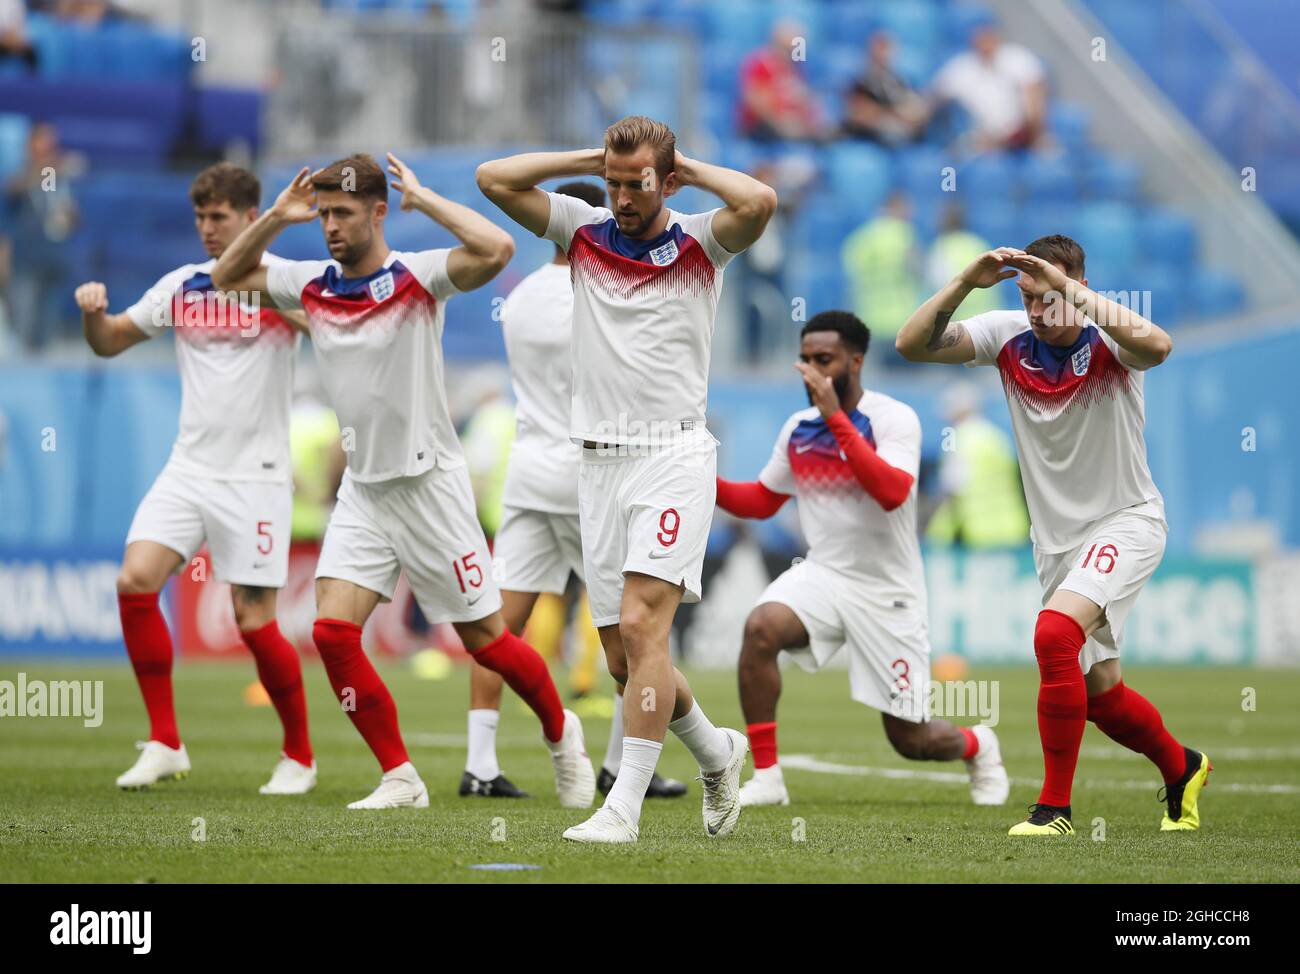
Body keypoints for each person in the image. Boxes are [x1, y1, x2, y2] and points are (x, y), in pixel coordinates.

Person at [211, 153, 596, 810]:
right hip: (365, 489)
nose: (331, 225)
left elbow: (497, 246)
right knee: (333, 634)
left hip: (430, 488)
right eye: (325, 213)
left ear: (378, 212)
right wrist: (277, 215)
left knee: (490, 643)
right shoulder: (310, 283)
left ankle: (563, 736)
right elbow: (226, 276)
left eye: (344, 213)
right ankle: (400, 776)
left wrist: (428, 198)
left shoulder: (415, 278)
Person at [477, 114, 777, 842]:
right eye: (610, 184)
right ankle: (715, 753)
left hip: (670, 456)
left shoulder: (703, 241)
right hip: (597, 464)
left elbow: (761, 202)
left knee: (645, 627)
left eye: (635, 184)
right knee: (624, 657)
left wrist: (682, 167)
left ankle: (623, 810)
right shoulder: (581, 231)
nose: (619, 198)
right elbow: (493, 179)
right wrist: (594, 157)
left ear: (668, 181)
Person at [896, 235, 1211, 835]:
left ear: (1078, 290)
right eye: (1029, 297)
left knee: (1053, 634)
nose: (1037, 311)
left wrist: (1072, 293)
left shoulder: (1113, 339)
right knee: (1101, 697)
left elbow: (1161, 346)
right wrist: (966, 281)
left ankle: (1055, 810)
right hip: (1057, 545)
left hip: (1127, 520)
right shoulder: (1006, 335)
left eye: (1049, 298)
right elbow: (911, 344)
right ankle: (1183, 767)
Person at [75, 163, 315, 795]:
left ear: (248, 215)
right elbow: (111, 342)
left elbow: (332, 330)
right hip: (189, 468)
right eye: (202, 219)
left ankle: (299, 756)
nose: (209, 229)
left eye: (220, 218)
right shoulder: (183, 286)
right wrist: (93, 315)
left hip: (257, 477)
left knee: (254, 621)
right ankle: (165, 742)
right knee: (134, 581)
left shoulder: (279, 287)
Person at [715, 311, 1009, 807]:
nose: (812, 370)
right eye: (805, 359)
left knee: (910, 741)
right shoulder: (798, 428)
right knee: (761, 627)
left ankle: (978, 744)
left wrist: (837, 419)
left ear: (856, 361)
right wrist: (702, 481)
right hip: (824, 575)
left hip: (886, 592)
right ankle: (768, 776)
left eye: (824, 359)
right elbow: (763, 500)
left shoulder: (893, 419)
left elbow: (892, 492)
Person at [460, 179, 686, 802]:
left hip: (527, 469)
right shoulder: (598, 292)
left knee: (497, 628)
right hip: (592, 472)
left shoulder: (522, 294)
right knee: (630, 631)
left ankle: (479, 763)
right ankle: (617, 763)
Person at [925, 381, 1029, 548]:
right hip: (1012, 528)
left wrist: (938, 534)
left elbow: (952, 488)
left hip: (980, 534)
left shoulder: (956, 438)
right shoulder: (996, 436)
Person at [930, 16, 1048, 152]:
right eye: (980, 35)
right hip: (979, 140)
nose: (985, 41)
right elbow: (935, 98)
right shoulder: (960, 68)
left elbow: (1035, 95)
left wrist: (1033, 128)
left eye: (987, 34)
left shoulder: (1018, 58)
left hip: (1023, 134)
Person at [841, 191, 921, 350]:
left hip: (871, 318)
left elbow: (851, 268)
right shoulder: (904, 233)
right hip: (903, 319)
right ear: (895, 208)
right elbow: (917, 270)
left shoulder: (864, 236)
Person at [737, 20, 829, 142]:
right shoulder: (760, 64)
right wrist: (782, 123)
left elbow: (805, 100)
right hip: (763, 128)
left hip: (793, 126)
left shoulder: (795, 68)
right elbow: (756, 102)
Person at [842, 30, 928, 145]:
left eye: (886, 49)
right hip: (869, 137)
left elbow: (916, 112)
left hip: (897, 132)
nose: (882, 54)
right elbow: (858, 114)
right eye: (879, 48)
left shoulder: (897, 80)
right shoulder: (860, 80)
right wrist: (893, 113)